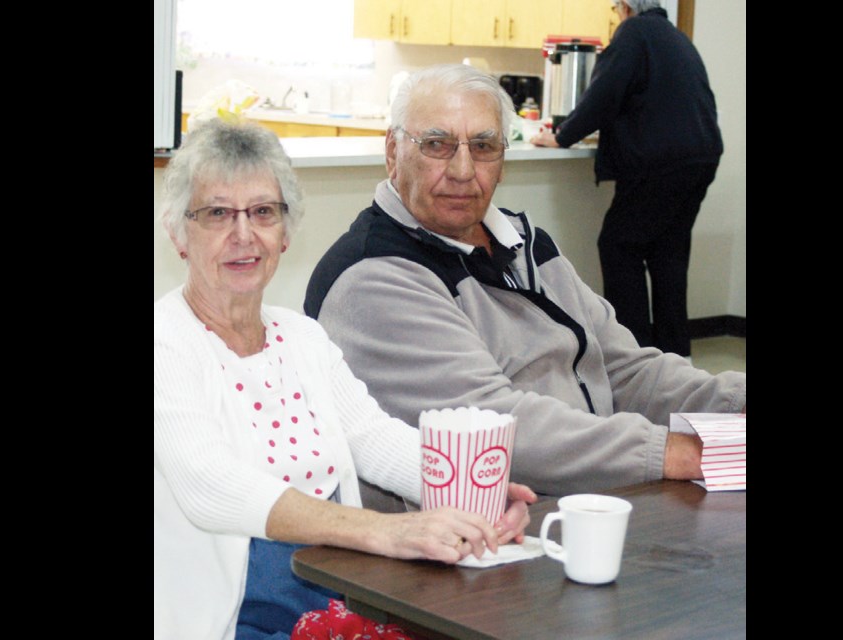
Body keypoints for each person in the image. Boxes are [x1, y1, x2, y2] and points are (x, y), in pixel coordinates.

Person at [154, 118, 535, 640]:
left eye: (264, 212)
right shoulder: (165, 341)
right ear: (178, 232)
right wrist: (389, 532)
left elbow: (373, 440)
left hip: (335, 596)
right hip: (231, 618)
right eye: (218, 213)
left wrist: (473, 490)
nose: (243, 235)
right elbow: (212, 485)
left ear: (285, 232)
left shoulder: (302, 337)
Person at [304, 63, 745, 509]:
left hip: (590, 502)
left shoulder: (524, 243)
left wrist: (733, 403)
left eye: (483, 146)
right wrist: (682, 452)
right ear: (393, 152)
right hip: (473, 540)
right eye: (436, 145)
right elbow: (496, 427)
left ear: (502, 161)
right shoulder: (373, 278)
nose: (462, 169)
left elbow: (623, 369)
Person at [531, 0, 724, 358]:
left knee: (619, 246)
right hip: (700, 157)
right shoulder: (676, 38)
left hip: (660, 162)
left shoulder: (634, 33)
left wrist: (561, 135)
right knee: (668, 255)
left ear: (625, 6)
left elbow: (604, 94)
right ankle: (674, 356)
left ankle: (633, 355)